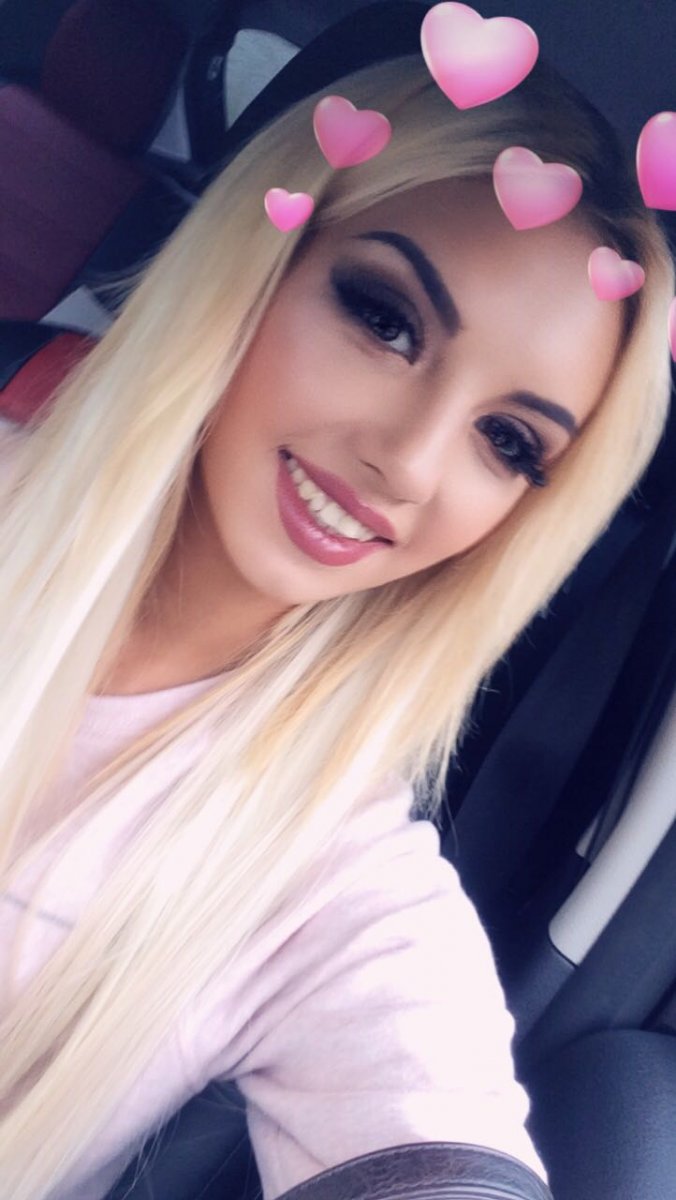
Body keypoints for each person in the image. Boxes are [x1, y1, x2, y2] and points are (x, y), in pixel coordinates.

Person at [0, 4, 672, 1198]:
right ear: (254, 263)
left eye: (508, 443)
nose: (408, 462)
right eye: (383, 317)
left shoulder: (335, 890)